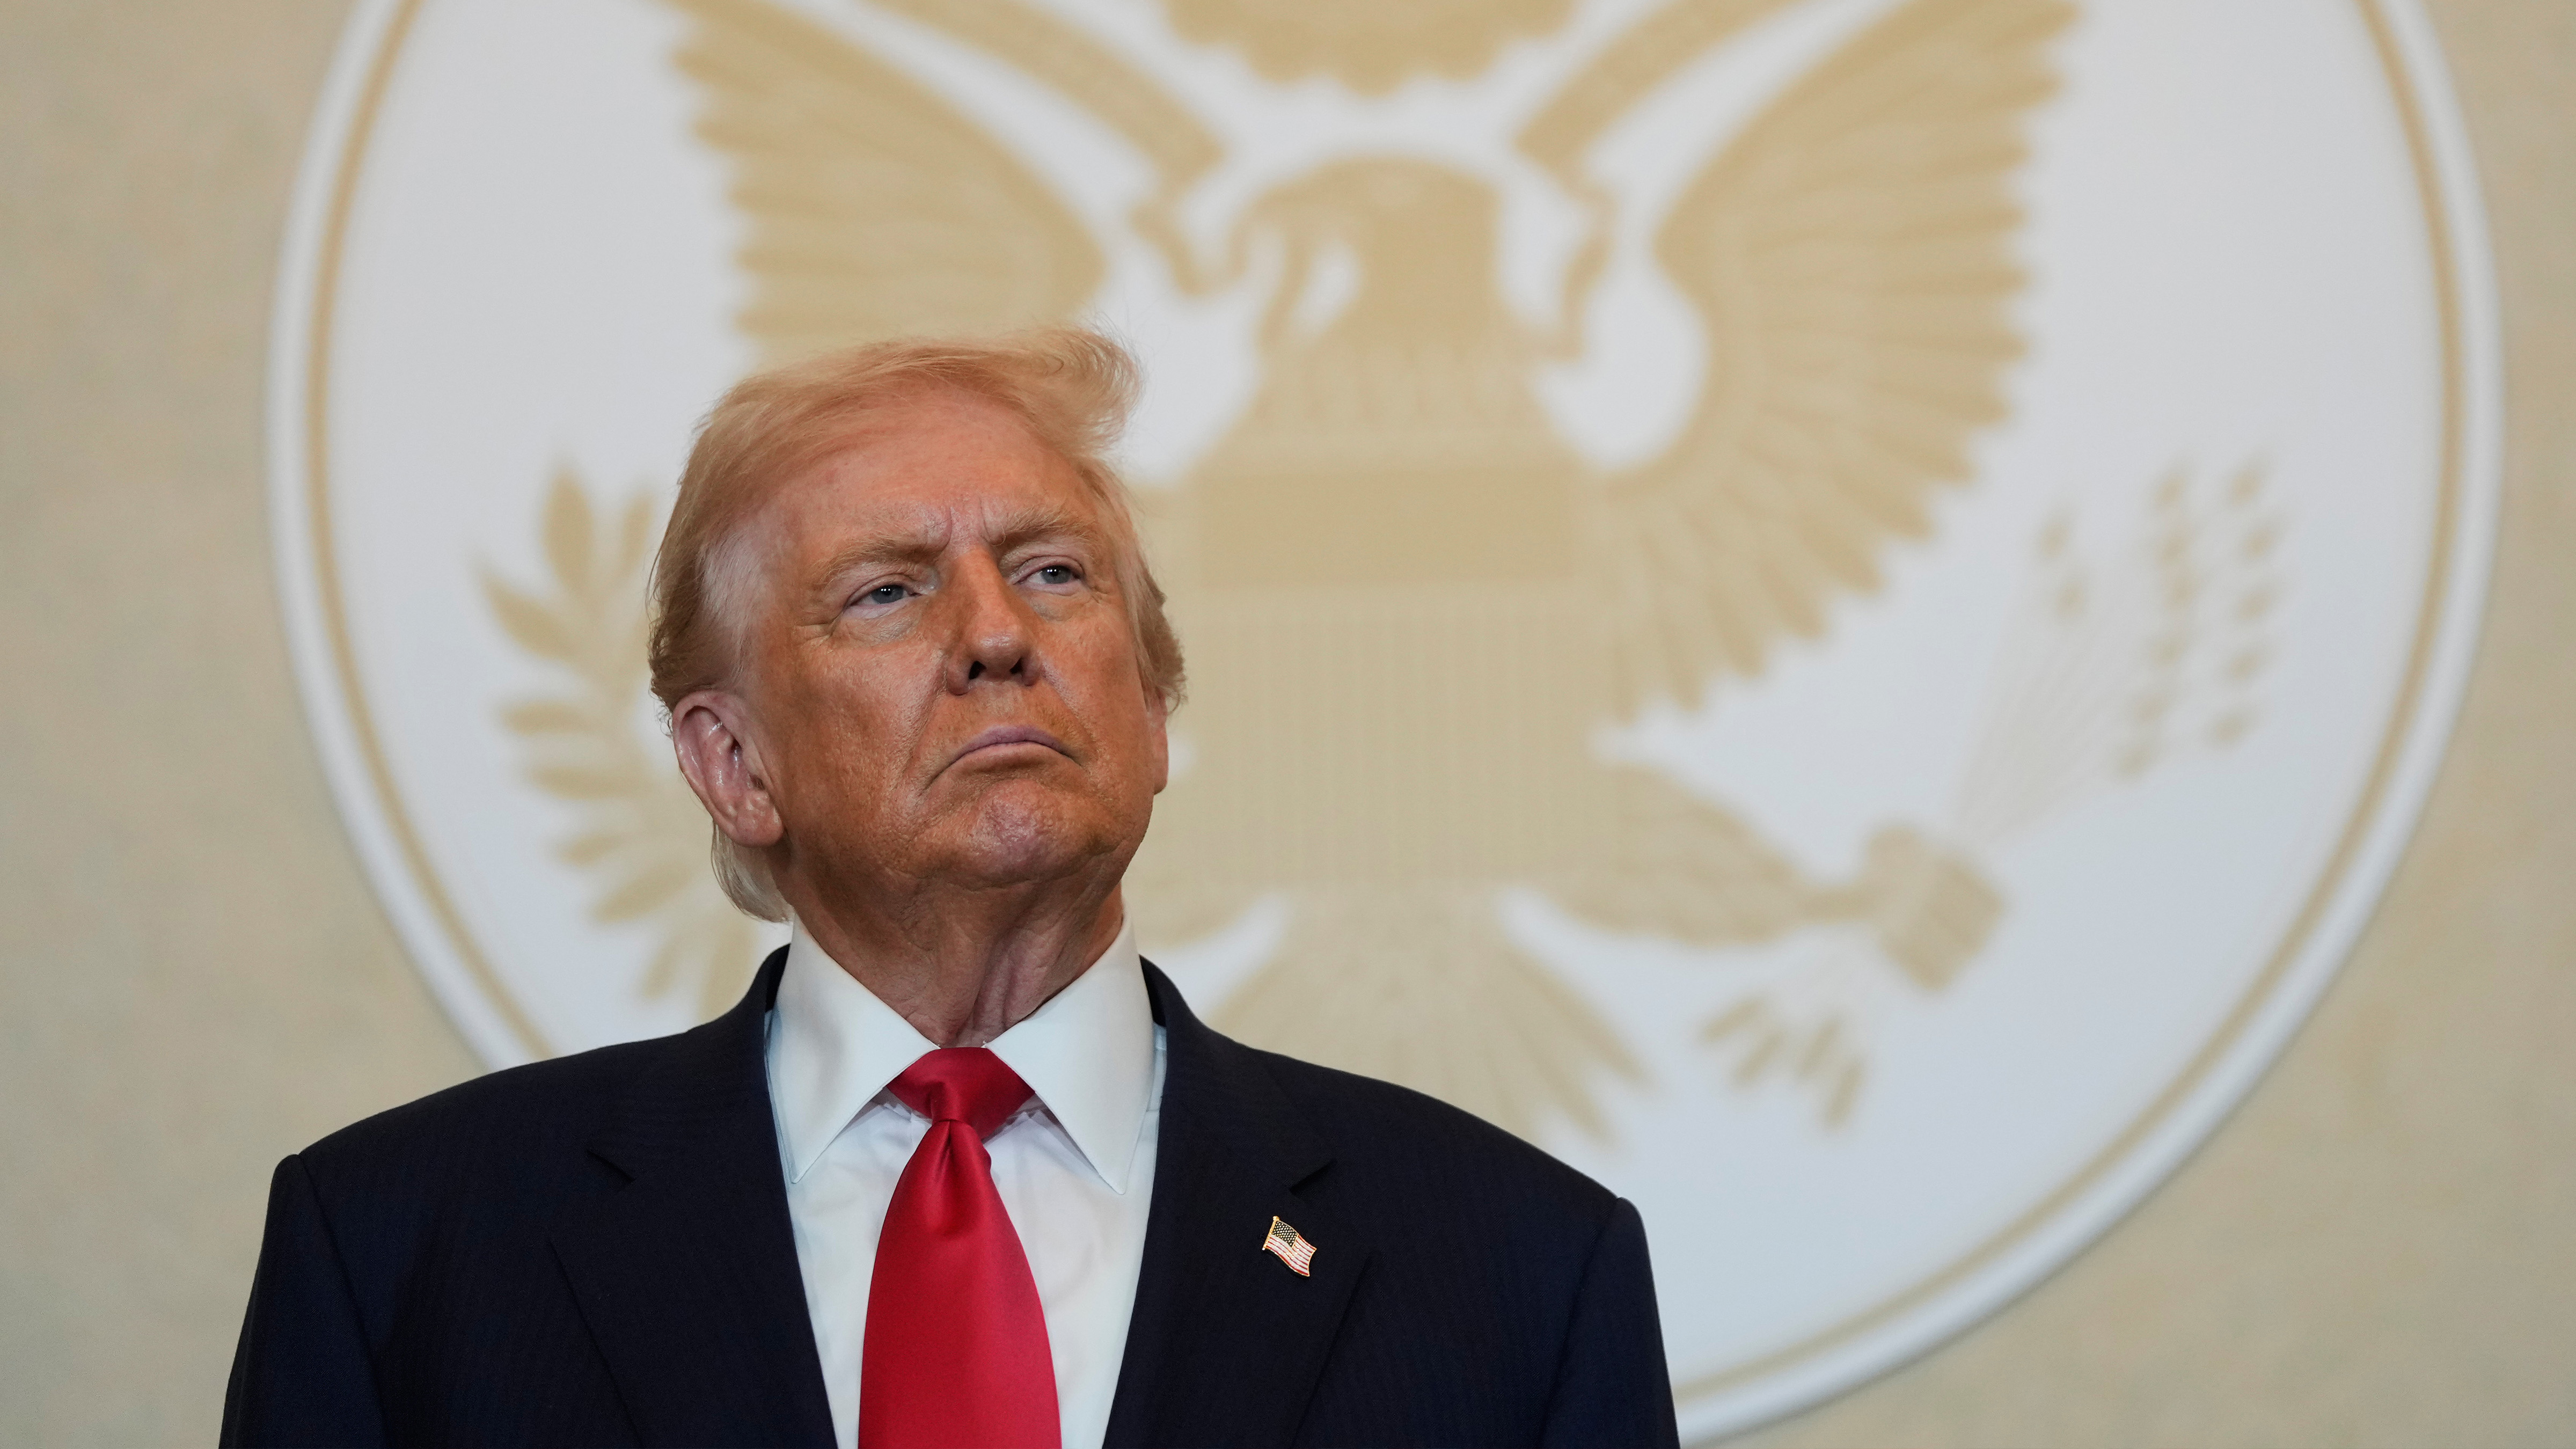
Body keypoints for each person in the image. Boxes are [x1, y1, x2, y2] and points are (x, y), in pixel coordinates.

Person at [221, 329, 1678, 1448]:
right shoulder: (406, 1253)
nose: (996, 634)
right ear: (734, 764)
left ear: (1153, 709)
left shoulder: (1520, 1271)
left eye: (1053, 574)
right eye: (889, 589)